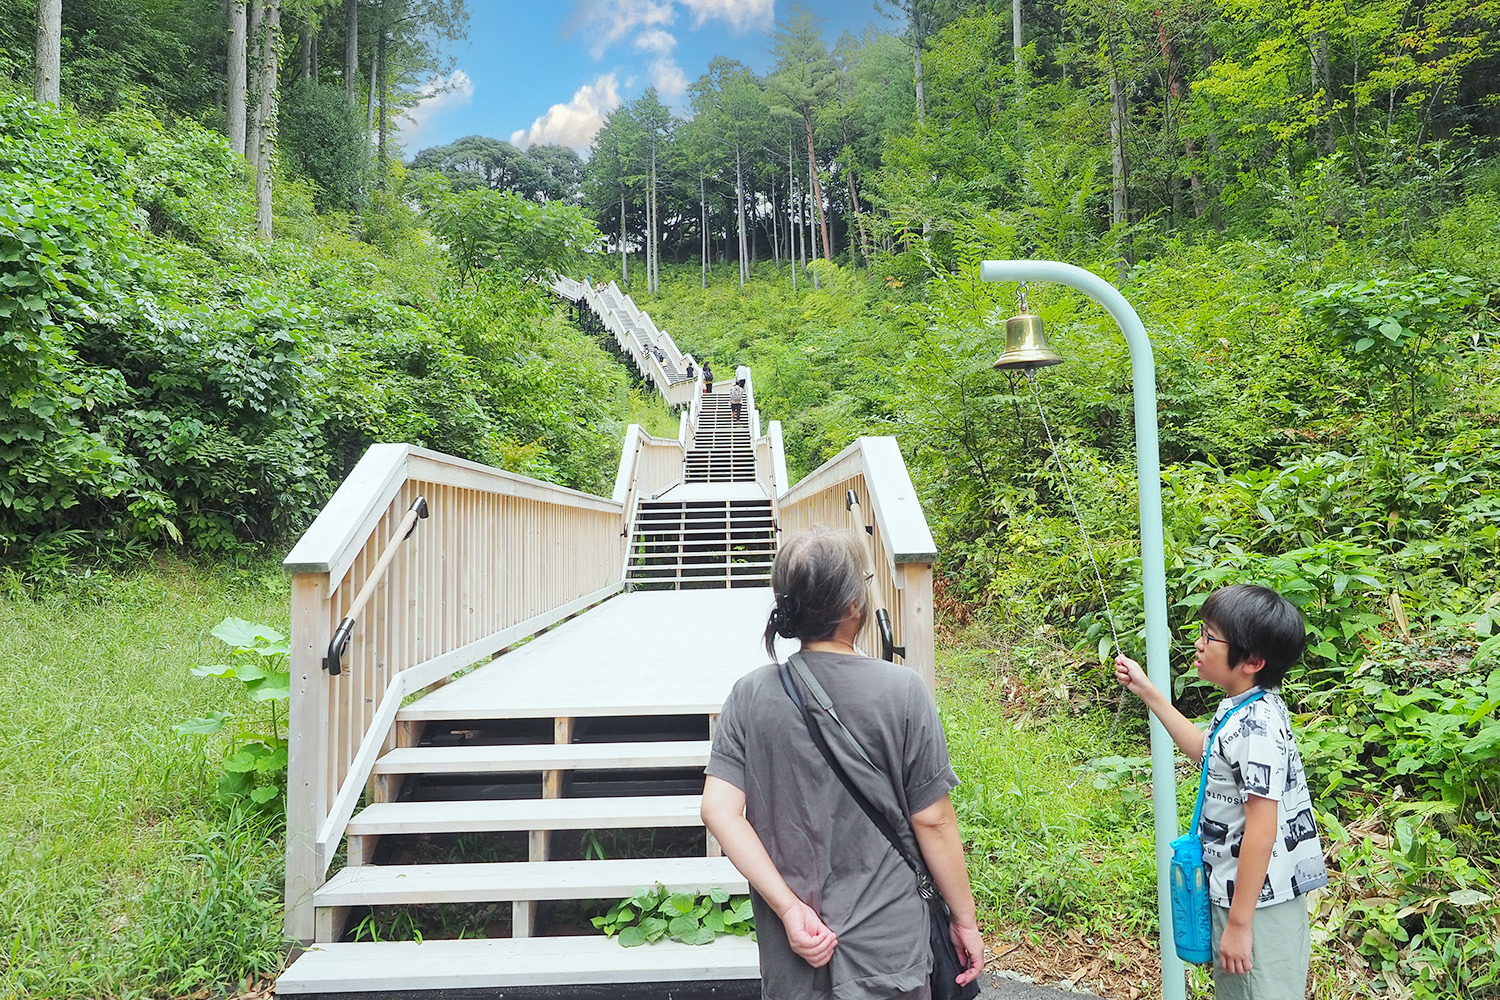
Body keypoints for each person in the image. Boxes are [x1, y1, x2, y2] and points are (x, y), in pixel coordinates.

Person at [702, 529, 984, 1000]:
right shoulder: (902, 691)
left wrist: (791, 909)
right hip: (889, 949)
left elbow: (718, 810)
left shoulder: (751, 694)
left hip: (798, 953)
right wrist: (965, 920)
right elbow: (933, 821)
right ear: (855, 603)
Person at [1114, 584, 1327, 1000]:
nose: (1199, 643)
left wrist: (1240, 924)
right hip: (1244, 898)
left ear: (1253, 660)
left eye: (1210, 637)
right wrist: (1147, 690)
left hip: (1258, 907)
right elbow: (1203, 750)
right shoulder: (1244, 707)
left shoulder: (1257, 728)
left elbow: (1262, 830)